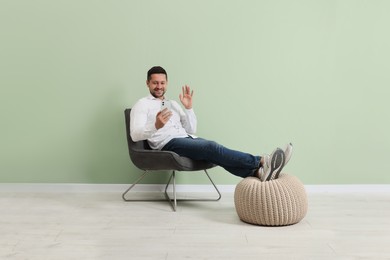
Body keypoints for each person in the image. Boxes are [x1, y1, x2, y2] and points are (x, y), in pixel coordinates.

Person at [130, 66, 293, 181]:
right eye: (155, 83)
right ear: (147, 83)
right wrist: (155, 126)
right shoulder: (142, 104)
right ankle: (263, 161)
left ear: (167, 83)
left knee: (216, 153)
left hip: (185, 139)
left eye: (162, 83)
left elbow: (191, 129)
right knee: (212, 147)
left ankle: (258, 173)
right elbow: (135, 134)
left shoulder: (173, 103)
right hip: (166, 144)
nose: (159, 86)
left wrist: (188, 108)